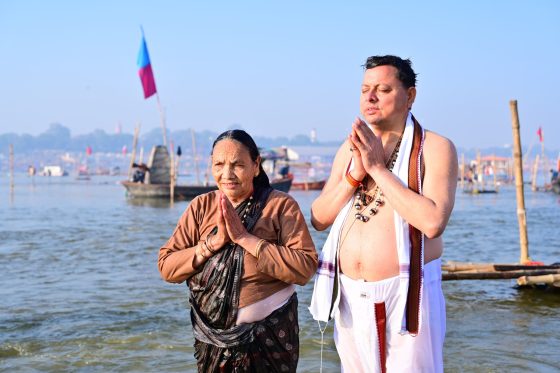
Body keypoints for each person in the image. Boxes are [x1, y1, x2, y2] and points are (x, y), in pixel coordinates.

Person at [309, 55, 457, 372]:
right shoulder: (349, 149)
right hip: (349, 293)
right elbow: (319, 218)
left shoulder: (435, 147)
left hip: (408, 290)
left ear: (410, 95)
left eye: (383, 89)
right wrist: (354, 176)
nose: (370, 97)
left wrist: (377, 168)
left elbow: (433, 223)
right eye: (365, 90)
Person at [158, 129, 318, 372]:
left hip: (269, 339)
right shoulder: (201, 207)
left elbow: (305, 268)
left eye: (237, 165)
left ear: (256, 166)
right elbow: (167, 267)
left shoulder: (280, 206)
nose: (227, 174)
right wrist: (211, 244)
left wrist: (245, 239)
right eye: (219, 164)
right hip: (212, 344)